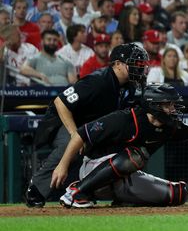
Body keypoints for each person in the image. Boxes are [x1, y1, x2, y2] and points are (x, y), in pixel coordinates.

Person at [54, 84, 188, 208]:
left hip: (127, 177)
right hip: (94, 170)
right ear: (154, 106)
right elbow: (81, 134)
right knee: (136, 156)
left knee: (179, 194)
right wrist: (63, 165)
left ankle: (125, 199)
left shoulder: (169, 126)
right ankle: (78, 191)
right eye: (168, 105)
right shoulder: (125, 119)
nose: (173, 109)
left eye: (173, 104)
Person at [24, 43, 149, 207]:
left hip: (91, 127)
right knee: (72, 145)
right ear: (117, 64)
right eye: (133, 64)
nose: (138, 69)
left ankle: (91, 192)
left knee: (122, 150)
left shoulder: (131, 86)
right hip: (62, 121)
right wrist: (74, 134)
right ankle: (36, 190)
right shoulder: (97, 81)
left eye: (140, 65)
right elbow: (60, 102)